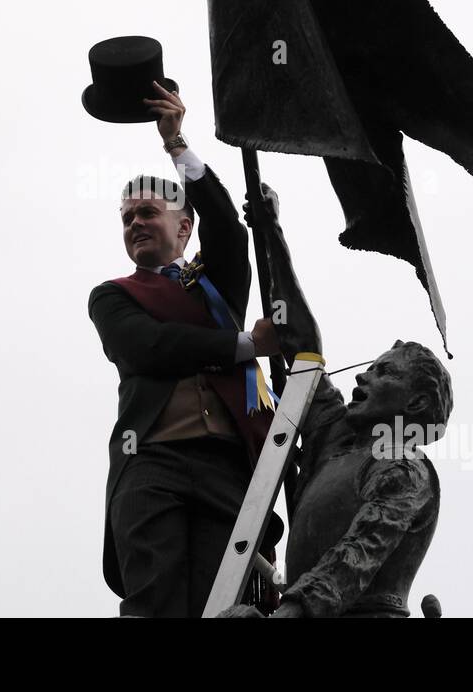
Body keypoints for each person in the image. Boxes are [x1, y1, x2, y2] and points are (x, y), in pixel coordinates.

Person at [88, 81, 283, 617]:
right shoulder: (112, 296)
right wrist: (246, 345)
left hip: (230, 467)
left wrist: (176, 143)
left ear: (183, 225)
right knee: (154, 599)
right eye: (127, 219)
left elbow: (228, 226)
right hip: (152, 462)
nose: (135, 225)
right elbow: (150, 347)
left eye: (147, 213)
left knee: (225, 603)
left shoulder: (213, 284)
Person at [218, 184, 453, 618]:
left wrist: (290, 613)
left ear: (417, 405)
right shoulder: (335, 438)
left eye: (385, 372)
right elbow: (302, 347)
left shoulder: (402, 466)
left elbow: (358, 554)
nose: (364, 374)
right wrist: (271, 232)